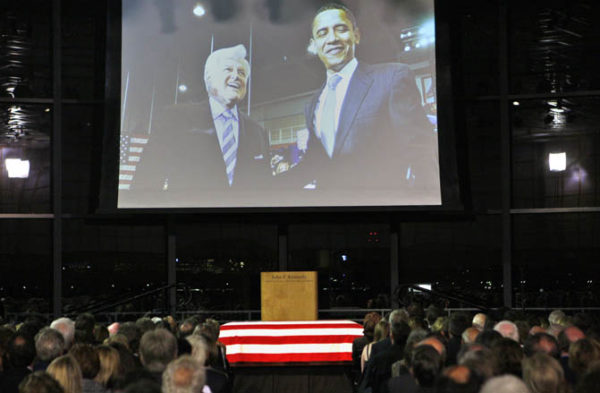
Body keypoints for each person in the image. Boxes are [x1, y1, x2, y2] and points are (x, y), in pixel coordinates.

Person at [298, 3, 438, 198]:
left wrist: (418, 207)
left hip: (381, 212)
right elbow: (313, 163)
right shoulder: (312, 104)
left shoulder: (392, 78)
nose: (332, 39)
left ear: (356, 35)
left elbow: (421, 151)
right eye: (322, 33)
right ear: (313, 45)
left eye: (341, 29)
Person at [129, 44, 272, 206]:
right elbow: (146, 182)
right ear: (209, 77)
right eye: (228, 70)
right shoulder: (175, 118)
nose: (236, 77)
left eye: (241, 73)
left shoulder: (258, 132)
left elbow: (266, 190)